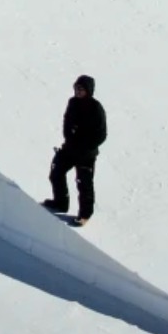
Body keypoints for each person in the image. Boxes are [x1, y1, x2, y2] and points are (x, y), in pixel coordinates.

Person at [43, 76, 106, 226]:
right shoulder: (73, 103)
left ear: (88, 90)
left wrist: (85, 146)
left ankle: (84, 215)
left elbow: (101, 135)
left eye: (81, 89)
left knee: (84, 184)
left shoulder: (96, 108)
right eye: (76, 88)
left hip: (86, 153)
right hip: (70, 148)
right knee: (56, 172)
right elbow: (67, 121)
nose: (78, 91)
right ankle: (60, 202)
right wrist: (68, 138)